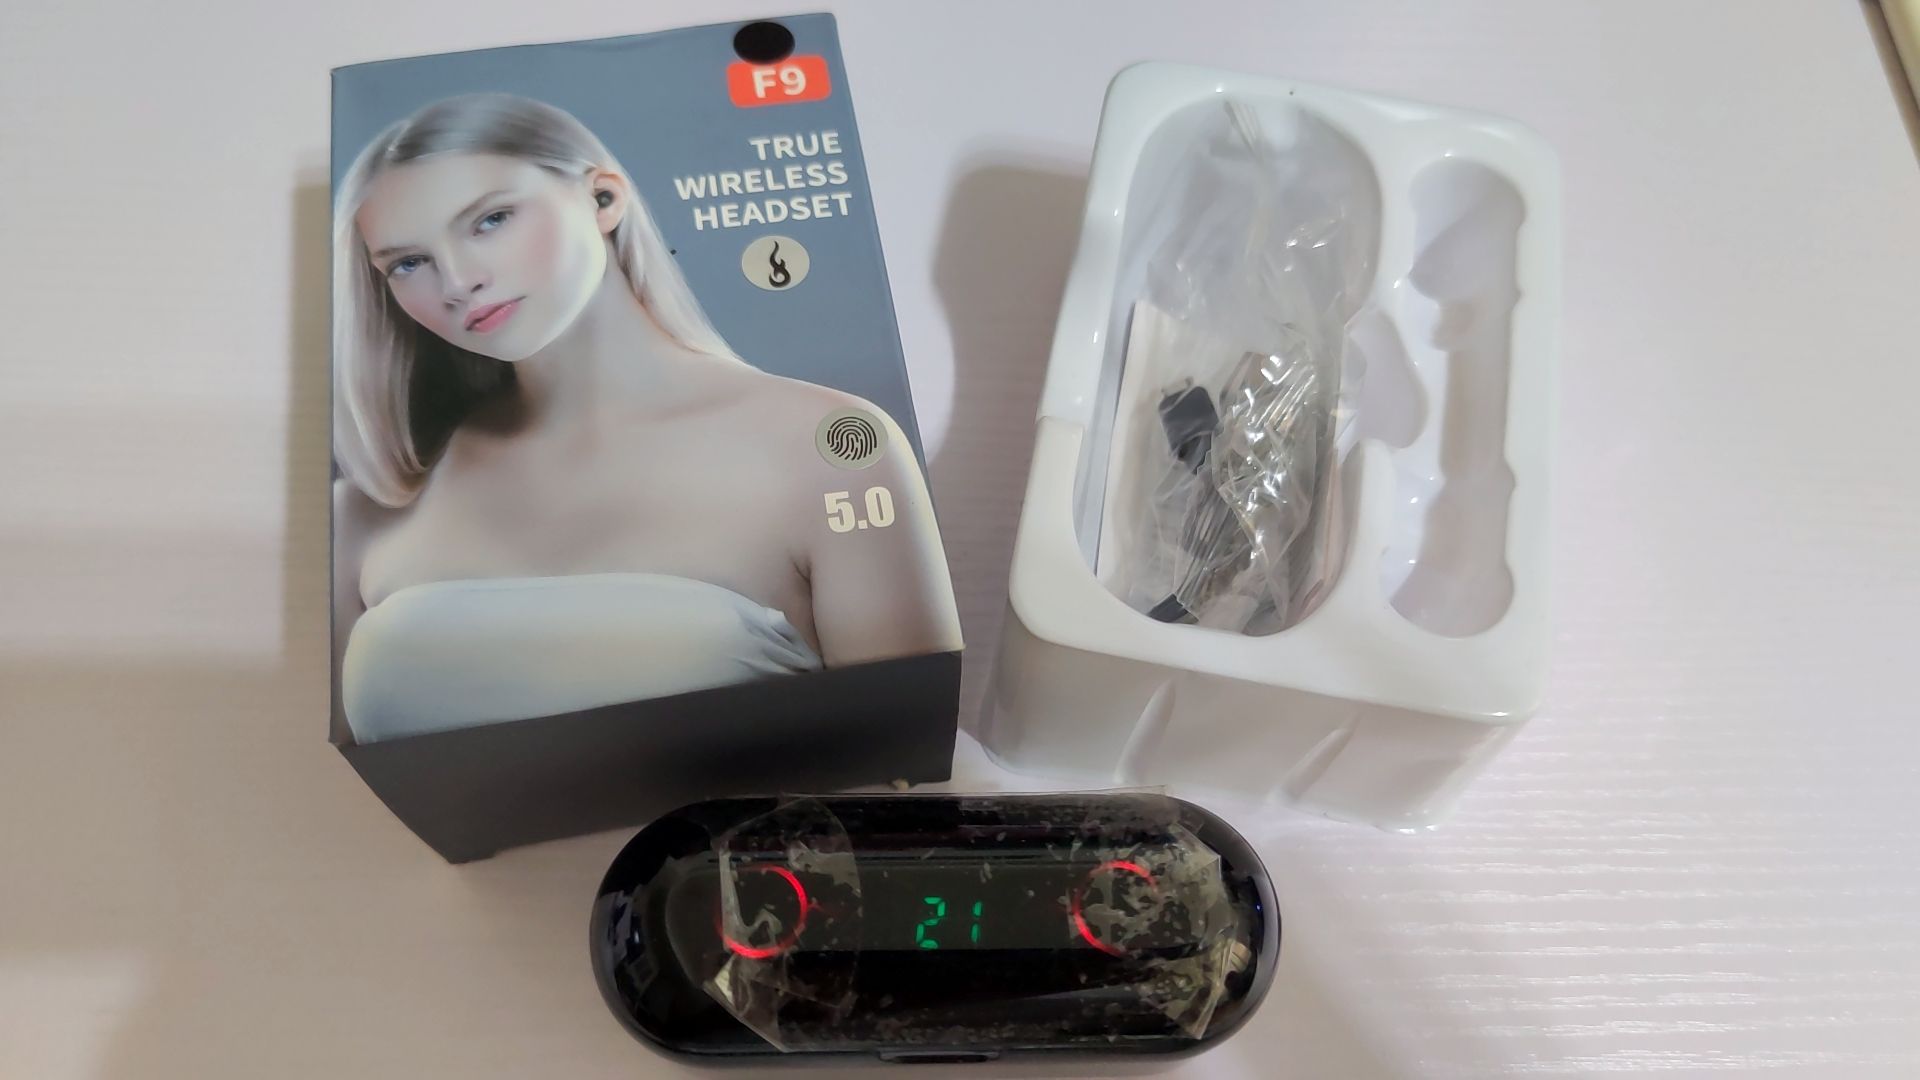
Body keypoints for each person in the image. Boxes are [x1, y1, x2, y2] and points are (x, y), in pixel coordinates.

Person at [330, 94, 960, 742]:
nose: (457, 281)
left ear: (603, 199)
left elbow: (907, 760)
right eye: (408, 263)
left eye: (490, 220)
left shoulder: (829, 449)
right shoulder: (370, 507)